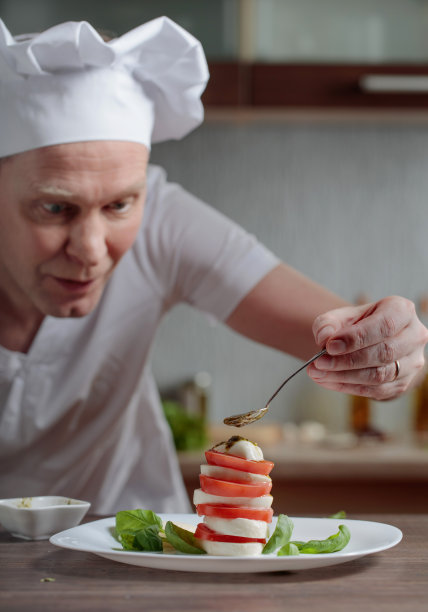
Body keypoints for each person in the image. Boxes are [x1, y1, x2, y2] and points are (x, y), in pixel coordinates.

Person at [0, 17, 427, 514]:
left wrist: (389, 350)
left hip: (128, 549)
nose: (91, 250)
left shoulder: (163, 221)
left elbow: (343, 334)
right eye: (55, 208)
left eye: (120, 204)